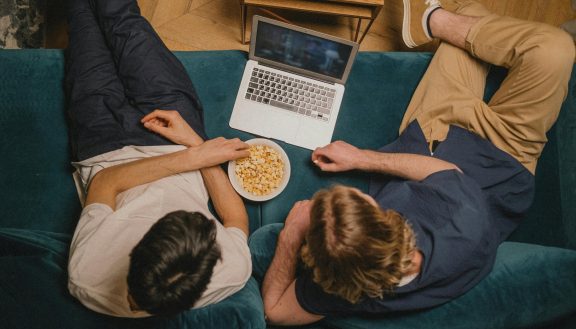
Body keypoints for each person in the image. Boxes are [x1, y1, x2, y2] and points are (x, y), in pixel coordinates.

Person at [250, 0, 575, 326]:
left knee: (472, 21)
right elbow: (444, 171)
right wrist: (360, 159)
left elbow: (274, 312)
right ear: (390, 223)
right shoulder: (462, 223)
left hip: (441, 143)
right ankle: (437, 21)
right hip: (499, 156)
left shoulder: (343, 284)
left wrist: (291, 234)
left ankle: (449, 23)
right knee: (556, 49)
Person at [65, 0, 252, 318]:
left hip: (102, 144)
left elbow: (106, 182)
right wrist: (194, 143)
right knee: (122, 19)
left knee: (82, 19)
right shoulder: (232, 271)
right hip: (176, 137)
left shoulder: (86, 275)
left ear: (136, 250)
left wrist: (196, 157)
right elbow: (235, 219)